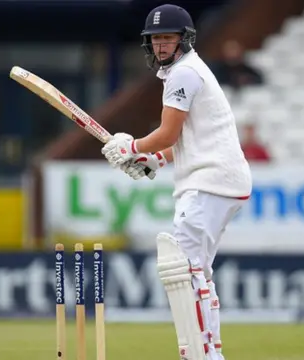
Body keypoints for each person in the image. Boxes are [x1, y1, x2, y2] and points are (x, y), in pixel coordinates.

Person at [100, 4, 252, 360]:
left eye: (168, 38)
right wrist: (151, 157)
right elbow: (182, 141)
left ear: (184, 39)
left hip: (210, 181)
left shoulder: (184, 74)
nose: (161, 46)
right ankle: (209, 351)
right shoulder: (185, 73)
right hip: (219, 180)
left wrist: (132, 147)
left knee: (184, 268)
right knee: (197, 270)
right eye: (156, 40)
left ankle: (199, 355)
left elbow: (168, 133)